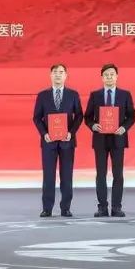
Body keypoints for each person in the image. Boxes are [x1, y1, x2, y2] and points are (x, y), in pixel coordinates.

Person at [31, 63, 84, 217]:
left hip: (67, 141)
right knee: (48, 176)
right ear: (50, 75)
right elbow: (36, 117)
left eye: (61, 72)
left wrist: (71, 132)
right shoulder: (43, 95)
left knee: (66, 176)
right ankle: (47, 208)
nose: (58, 75)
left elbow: (79, 116)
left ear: (66, 75)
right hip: (49, 142)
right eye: (55, 72)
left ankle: (65, 208)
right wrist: (44, 134)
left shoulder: (73, 94)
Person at [84, 64, 135, 217]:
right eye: (106, 75)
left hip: (118, 139)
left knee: (117, 174)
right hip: (100, 139)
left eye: (112, 74)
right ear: (102, 77)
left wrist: (124, 128)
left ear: (116, 76)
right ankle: (102, 207)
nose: (109, 77)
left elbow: (132, 115)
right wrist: (93, 125)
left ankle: (116, 207)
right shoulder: (95, 95)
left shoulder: (125, 94)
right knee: (101, 174)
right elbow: (87, 117)